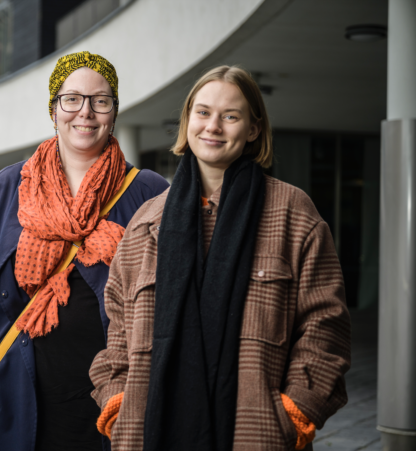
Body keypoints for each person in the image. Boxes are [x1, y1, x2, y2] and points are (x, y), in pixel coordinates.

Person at [90, 66, 351, 451]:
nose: (213, 126)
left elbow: (325, 326)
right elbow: (118, 330)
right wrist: (118, 405)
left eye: (230, 116)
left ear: (253, 129)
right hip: (151, 432)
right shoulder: (146, 221)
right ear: (187, 121)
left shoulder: (293, 212)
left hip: (255, 436)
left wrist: (293, 414)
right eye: (203, 112)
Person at [0, 51, 169, 451]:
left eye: (101, 101)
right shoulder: (7, 187)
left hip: (114, 401)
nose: (86, 112)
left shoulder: (149, 192)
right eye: (72, 99)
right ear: (53, 110)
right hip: (13, 397)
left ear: (114, 112)